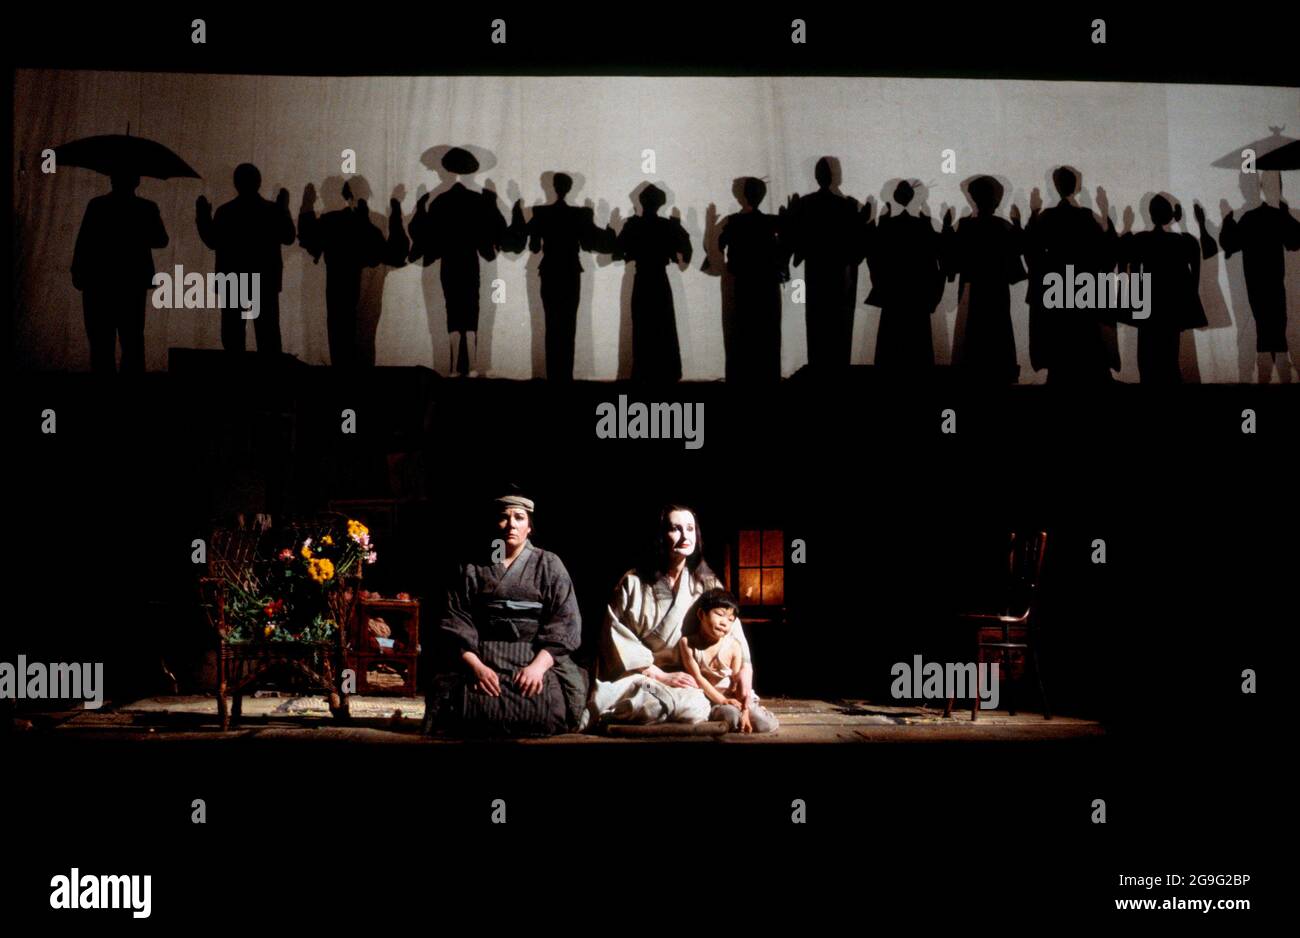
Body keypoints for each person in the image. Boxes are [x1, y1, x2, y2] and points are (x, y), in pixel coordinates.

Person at [422, 492, 586, 736]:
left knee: (555, 710)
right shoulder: (471, 567)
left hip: (535, 654)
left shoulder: (549, 564)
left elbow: (565, 622)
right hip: (481, 654)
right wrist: (476, 667)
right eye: (503, 517)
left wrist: (537, 668)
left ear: (529, 526)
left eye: (519, 518)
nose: (511, 524)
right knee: (458, 709)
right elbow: (455, 619)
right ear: (493, 523)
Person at [591, 504, 753, 725]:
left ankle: (710, 707)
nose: (685, 535)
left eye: (690, 528)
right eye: (675, 528)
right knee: (648, 705)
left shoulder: (707, 583)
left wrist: (744, 668)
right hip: (643, 673)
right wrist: (660, 674)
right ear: (661, 535)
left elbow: (731, 629)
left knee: (693, 707)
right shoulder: (633, 582)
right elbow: (614, 635)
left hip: (695, 676)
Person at [407, 147, 508, 377]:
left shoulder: (439, 200)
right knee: (472, 306)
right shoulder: (482, 199)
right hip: (472, 260)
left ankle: (454, 366)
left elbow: (422, 232)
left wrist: (420, 206)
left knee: (452, 307)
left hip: (449, 261)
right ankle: (472, 364)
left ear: (446, 170)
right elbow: (498, 230)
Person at [503, 172, 614, 380]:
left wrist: (516, 211)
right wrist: (606, 223)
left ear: (552, 187)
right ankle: (565, 376)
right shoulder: (581, 214)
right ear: (571, 189)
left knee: (551, 323)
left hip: (550, 272)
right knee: (569, 323)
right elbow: (593, 244)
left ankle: (553, 376)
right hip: (571, 272)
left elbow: (533, 247)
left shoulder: (541, 213)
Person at [1022, 167, 1118, 385]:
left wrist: (1033, 213)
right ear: (1077, 187)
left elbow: (1031, 250)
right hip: (1082, 286)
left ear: (1054, 188)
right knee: (1083, 336)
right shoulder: (1088, 217)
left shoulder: (1046, 217)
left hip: (1055, 288)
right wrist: (1105, 214)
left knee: (1058, 340)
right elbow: (1107, 252)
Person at [298, 180, 406, 368]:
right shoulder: (376, 223)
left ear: (346, 197)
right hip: (369, 298)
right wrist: (396, 209)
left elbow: (308, 238)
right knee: (365, 342)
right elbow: (396, 255)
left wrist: (307, 206)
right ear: (367, 195)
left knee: (341, 345)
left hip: (339, 292)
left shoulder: (331, 221)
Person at [70, 171, 169, 374]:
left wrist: (78, 271)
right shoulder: (146, 208)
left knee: (100, 343)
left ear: (112, 179)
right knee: (132, 341)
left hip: (99, 281)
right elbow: (161, 240)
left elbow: (84, 242)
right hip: (132, 282)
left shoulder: (97, 206)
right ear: (137, 181)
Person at [195, 163, 296, 355]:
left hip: (233, 279)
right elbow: (289, 237)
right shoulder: (272, 210)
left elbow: (212, 241)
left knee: (233, 337)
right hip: (265, 279)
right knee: (268, 336)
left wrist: (202, 216)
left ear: (236, 183)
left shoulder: (225, 212)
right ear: (259, 182)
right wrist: (284, 209)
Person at [941, 175, 1026, 384]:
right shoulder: (1003, 226)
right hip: (996, 289)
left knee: (972, 335)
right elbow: (1018, 251)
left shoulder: (965, 226)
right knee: (998, 332)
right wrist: (1018, 224)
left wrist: (946, 229)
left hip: (972, 289)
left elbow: (953, 259)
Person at [1116, 195, 1207, 385]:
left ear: (1150, 215)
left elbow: (1124, 265)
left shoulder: (1140, 240)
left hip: (1147, 305)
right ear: (1170, 215)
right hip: (1172, 307)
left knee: (1147, 358)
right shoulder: (1183, 242)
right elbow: (1194, 275)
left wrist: (1125, 226)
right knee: (1170, 356)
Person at [782, 157, 862, 372]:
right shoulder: (847, 205)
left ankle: (819, 369)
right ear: (836, 176)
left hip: (816, 271)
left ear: (816, 177)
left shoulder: (806, 203)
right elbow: (857, 245)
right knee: (839, 323)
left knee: (817, 320)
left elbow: (793, 239)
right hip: (839, 273)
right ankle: (838, 369)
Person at [1220, 171, 1300, 381]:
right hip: (1276, 287)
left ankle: (1267, 379)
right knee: (1276, 339)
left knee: (1265, 339)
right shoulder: (1276, 216)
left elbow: (1229, 245)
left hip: (1255, 289)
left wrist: (1227, 220)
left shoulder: (1249, 218)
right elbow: (1294, 242)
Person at [862, 180, 945, 376]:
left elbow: (873, 256)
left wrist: (872, 222)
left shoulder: (887, 226)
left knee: (891, 350)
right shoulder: (923, 226)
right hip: (917, 299)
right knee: (918, 351)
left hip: (893, 298)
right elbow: (940, 257)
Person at [612, 184, 693, 383]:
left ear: (641, 202)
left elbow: (616, 252)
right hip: (659, 280)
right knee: (663, 326)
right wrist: (678, 226)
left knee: (643, 327)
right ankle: (667, 372)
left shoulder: (632, 225)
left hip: (642, 280)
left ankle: (644, 373)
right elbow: (686, 253)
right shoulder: (668, 225)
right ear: (661, 204)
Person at [717, 177, 789, 383]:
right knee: (767, 333)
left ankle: (742, 378)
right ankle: (767, 377)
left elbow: (718, 248)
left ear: (740, 197)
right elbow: (784, 248)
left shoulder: (731, 222)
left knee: (742, 333)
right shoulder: (771, 222)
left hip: (743, 286)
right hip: (766, 286)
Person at [677, 588, 779, 733]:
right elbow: (698, 678)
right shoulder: (687, 643)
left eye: (730, 619)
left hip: (735, 697)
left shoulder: (733, 646)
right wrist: (722, 700)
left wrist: (745, 711)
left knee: (764, 724)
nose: (724, 622)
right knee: (731, 717)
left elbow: (736, 682)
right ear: (701, 614)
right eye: (719, 614)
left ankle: (757, 711)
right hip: (711, 700)